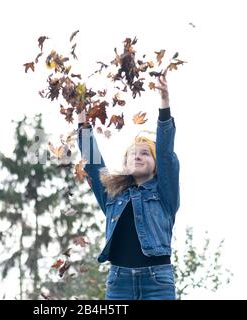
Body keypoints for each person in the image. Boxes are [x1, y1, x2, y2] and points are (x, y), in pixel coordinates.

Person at [76, 76, 180, 300]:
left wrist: (164, 103)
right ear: (125, 164)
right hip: (119, 281)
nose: (138, 156)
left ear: (156, 166)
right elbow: (93, 164)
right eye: (133, 154)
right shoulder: (114, 195)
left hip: (157, 281)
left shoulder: (164, 193)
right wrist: (82, 118)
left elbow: (165, 154)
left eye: (144, 153)